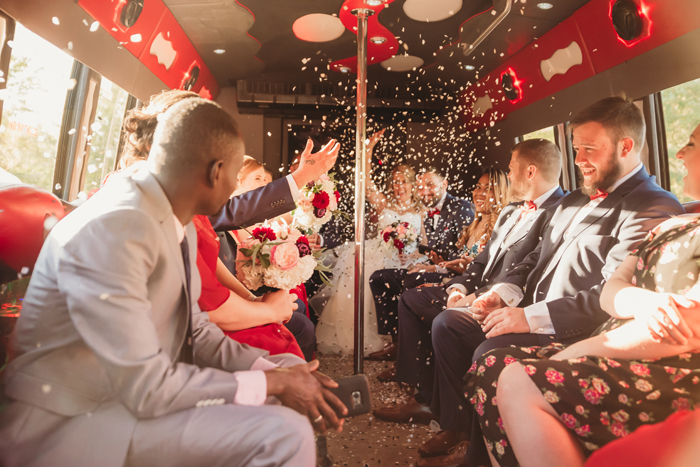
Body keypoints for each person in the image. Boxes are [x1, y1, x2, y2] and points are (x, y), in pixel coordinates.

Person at [0, 99, 347, 467]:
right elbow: (147, 387)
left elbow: (196, 330)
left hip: (120, 401)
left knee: (282, 402)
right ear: (217, 172)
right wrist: (274, 385)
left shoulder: (171, 214)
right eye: (235, 175)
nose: (236, 190)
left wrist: (275, 373)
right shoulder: (118, 228)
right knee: (285, 433)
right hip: (75, 421)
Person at [422, 96, 685, 467]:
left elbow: (608, 292)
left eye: (590, 150)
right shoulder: (572, 200)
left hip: (578, 328)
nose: (578, 161)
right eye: (576, 149)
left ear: (626, 146)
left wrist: (529, 318)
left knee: (490, 352)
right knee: (449, 323)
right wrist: (503, 294)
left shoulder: (652, 206)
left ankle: (485, 457)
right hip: (530, 309)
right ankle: (464, 430)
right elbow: (534, 258)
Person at [373, 140, 565, 453]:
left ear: (530, 172)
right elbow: (480, 261)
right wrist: (459, 288)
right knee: (412, 299)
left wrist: (480, 295)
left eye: (511, 169)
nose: (508, 176)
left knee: (446, 323)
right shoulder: (511, 212)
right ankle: (422, 395)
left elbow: (532, 272)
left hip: (511, 302)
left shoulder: (560, 212)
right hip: (476, 289)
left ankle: (453, 423)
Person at [367, 158, 475, 361]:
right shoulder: (428, 211)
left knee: (409, 281)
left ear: (444, 184)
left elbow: (464, 256)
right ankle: (397, 344)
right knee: (379, 278)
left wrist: (433, 267)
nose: (424, 191)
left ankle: (413, 355)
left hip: (452, 275)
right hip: (432, 266)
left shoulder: (460, 208)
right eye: (421, 186)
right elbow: (430, 248)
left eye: (430, 185)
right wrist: (425, 260)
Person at [311, 162, 424, 355]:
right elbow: (366, 181)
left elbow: (423, 246)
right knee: (363, 272)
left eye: (404, 181)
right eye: (395, 182)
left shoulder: (420, 210)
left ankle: (394, 341)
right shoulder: (383, 204)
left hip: (407, 261)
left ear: (412, 184)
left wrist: (413, 255)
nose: (399, 187)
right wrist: (369, 149)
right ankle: (366, 338)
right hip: (379, 254)